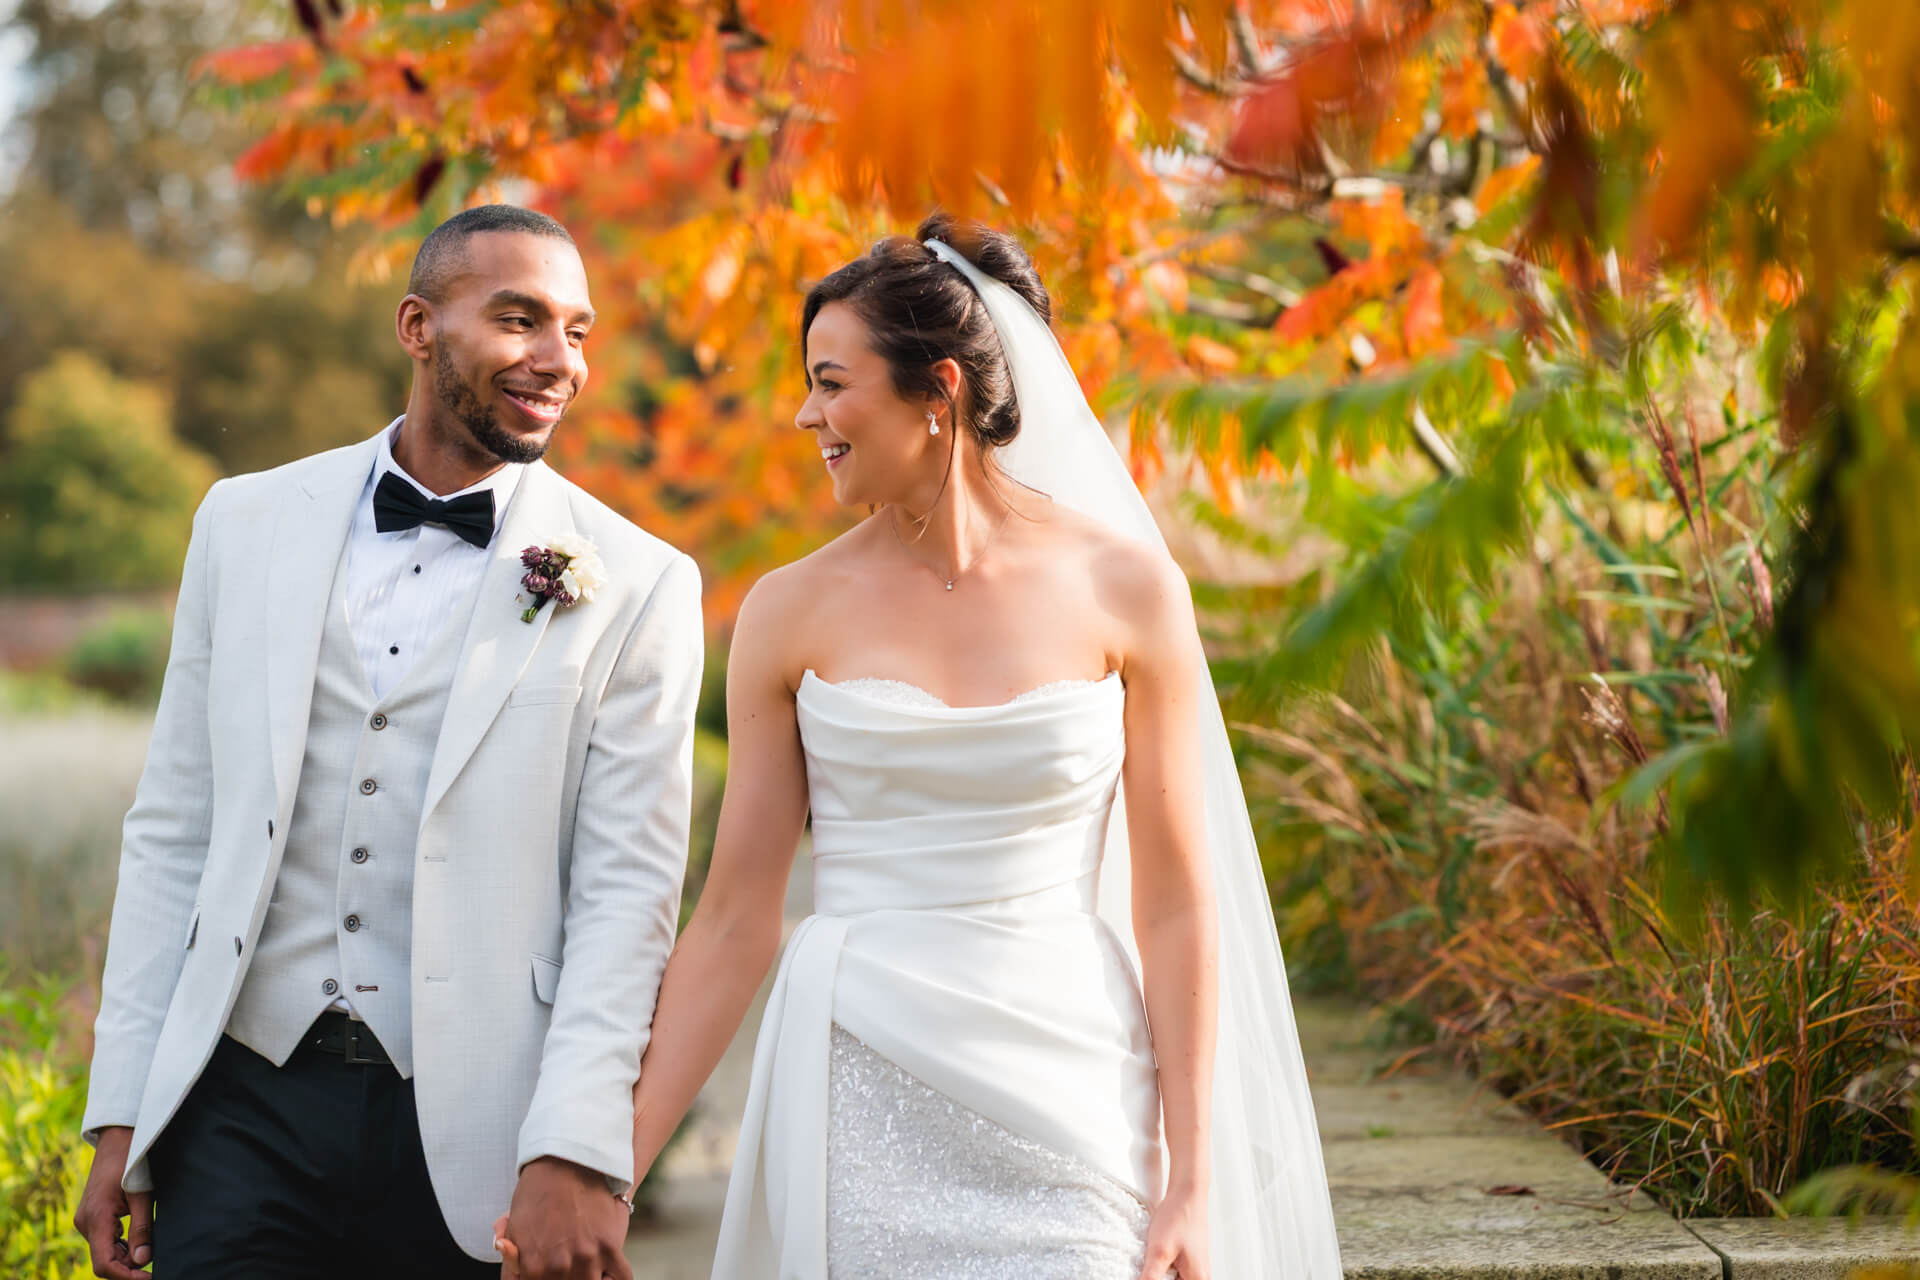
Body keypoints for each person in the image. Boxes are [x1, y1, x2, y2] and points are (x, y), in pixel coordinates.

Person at [499, 213, 1344, 1279]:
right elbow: (732, 921)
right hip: (855, 1085)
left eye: (832, 380)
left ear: (937, 388)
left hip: (1076, 1090)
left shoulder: (1128, 588)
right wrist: (603, 1172)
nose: (808, 413)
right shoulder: (786, 610)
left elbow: (1176, 903)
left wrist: (1191, 1179)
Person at [71, 203, 705, 1280]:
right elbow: (174, 827)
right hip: (241, 1105)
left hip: (475, 1132)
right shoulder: (243, 520)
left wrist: (578, 1145)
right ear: (419, 326)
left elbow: (625, 898)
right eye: (520, 320)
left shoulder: (640, 581)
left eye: (579, 331)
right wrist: (124, 1102)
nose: (559, 360)